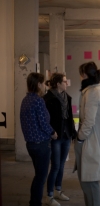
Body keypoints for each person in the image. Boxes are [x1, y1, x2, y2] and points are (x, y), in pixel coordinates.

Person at [74, 61, 100, 206]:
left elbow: (89, 121)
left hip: (90, 142)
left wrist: (80, 139)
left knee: (90, 184)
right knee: (90, 184)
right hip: (93, 141)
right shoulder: (96, 90)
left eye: (80, 74)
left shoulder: (92, 92)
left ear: (84, 75)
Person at [20, 72, 58, 206]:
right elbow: (43, 122)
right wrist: (53, 132)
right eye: (42, 83)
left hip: (30, 144)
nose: (44, 86)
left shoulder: (25, 100)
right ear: (38, 84)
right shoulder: (38, 100)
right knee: (41, 178)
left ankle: (34, 201)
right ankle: (35, 203)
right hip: (41, 144)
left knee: (38, 176)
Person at [43, 73, 76, 206]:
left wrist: (73, 132)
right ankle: (49, 195)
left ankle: (58, 190)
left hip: (66, 135)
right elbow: (46, 119)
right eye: (64, 81)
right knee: (55, 165)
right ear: (57, 84)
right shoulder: (48, 98)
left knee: (61, 165)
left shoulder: (67, 97)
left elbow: (70, 117)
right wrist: (51, 132)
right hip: (55, 136)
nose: (66, 83)